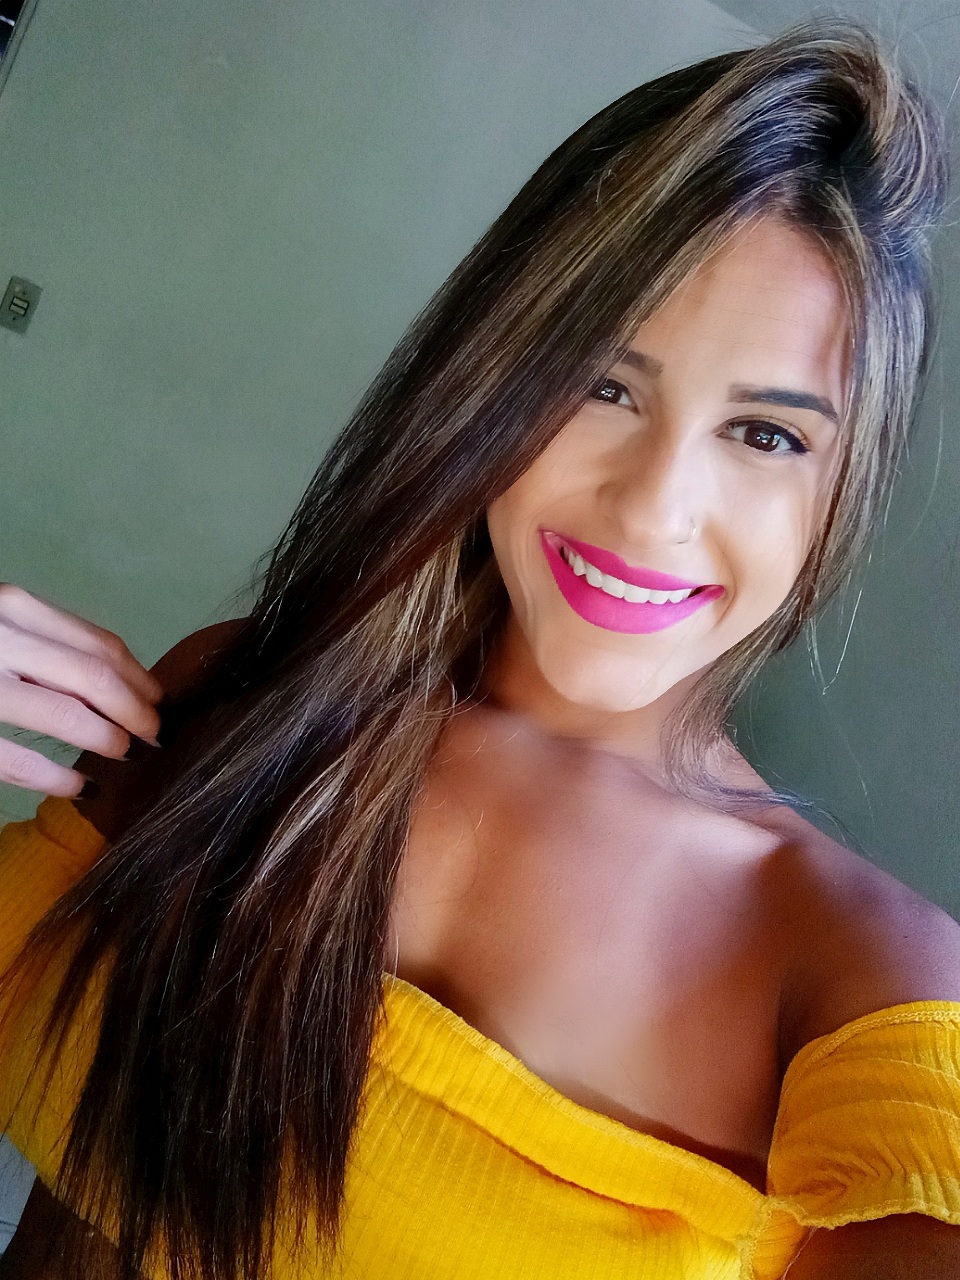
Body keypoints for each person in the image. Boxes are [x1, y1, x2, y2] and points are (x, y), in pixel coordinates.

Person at [0, 19, 958, 1280]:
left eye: (767, 435)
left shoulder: (856, 976)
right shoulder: (234, 691)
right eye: (602, 384)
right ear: (494, 375)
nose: (653, 509)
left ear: (842, 491)